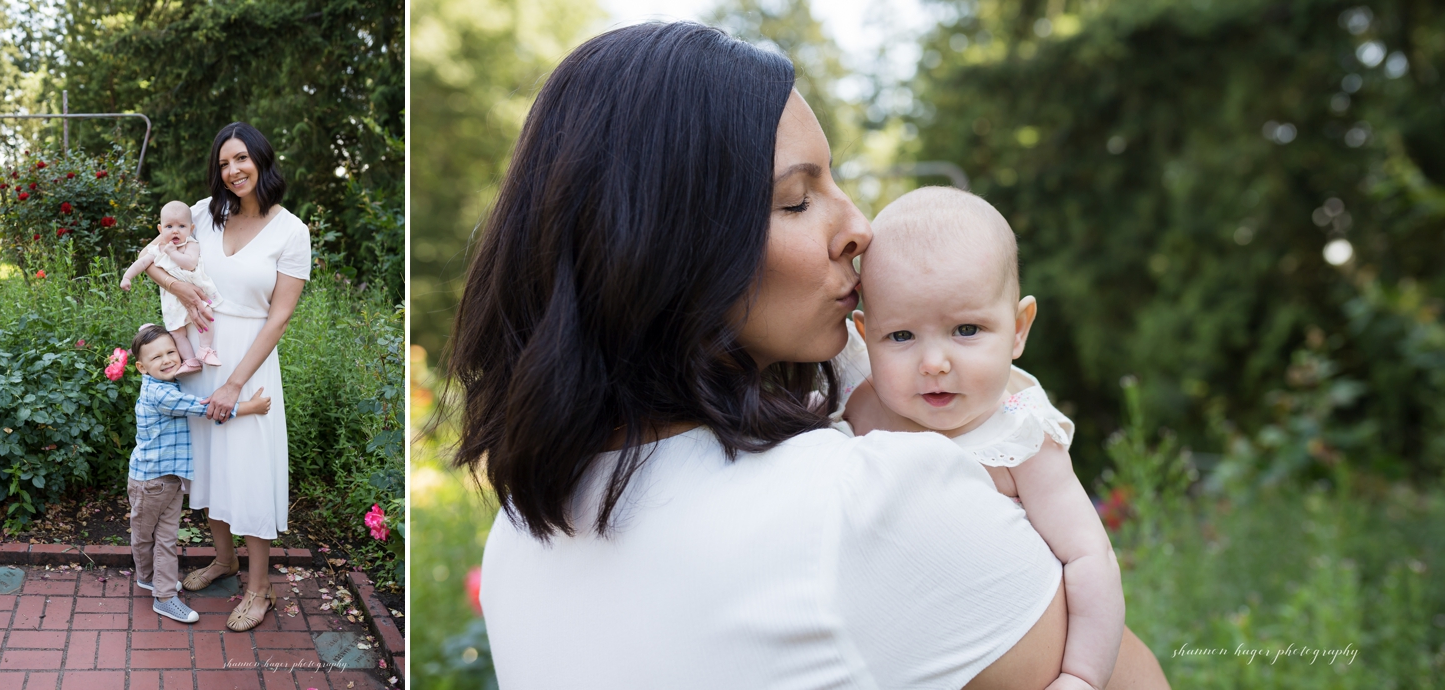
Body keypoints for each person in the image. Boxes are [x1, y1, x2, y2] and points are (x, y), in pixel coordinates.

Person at [449, 22, 1168, 690]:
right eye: (797, 201)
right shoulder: (866, 510)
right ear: (665, 248)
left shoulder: (518, 536)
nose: (859, 227)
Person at [838, 186, 1123, 690]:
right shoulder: (860, 404)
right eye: (901, 336)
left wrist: (1081, 676)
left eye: (966, 330)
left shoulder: (1022, 437)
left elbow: (1088, 557)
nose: (934, 363)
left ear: (1017, 329)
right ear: (864, 333)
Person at [144, 121, 311, 632]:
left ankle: (259, 588)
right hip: (202, 356)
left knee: (249, 471)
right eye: (223, 163)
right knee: (209, 465)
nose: (233, 170)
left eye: (241, 158)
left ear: (261, 159)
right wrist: (185, 290)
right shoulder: (202, 214)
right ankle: (223, 559)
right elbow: (152, 258)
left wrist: (236, 383)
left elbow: (279, 317)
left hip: (250, 365)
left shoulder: (291, 230)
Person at [126, 324, 270, 624]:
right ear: (141, 367)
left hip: (166, 480)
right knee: (152, 538)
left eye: (171, 352)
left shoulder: (165, 384)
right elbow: (207, 408)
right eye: (157, 358)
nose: (167, 360)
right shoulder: (163, 395)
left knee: (157, 537)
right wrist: (251, 407)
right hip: (152, 482)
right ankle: (163, 597)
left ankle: (150, 579)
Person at [121, 200, 224, 375]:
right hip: (172, 299)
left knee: (205, 314)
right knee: (176, 331)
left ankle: (205, 349)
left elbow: (190, 263)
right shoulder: (157, 249)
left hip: (195, 291)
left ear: (191, 229)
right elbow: (142, 262)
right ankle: (190, 361)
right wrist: (127, 276)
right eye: (169, 227)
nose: (175, 230)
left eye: (181, 226)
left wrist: (172, 252)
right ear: (160, 230)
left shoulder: (190, 244)